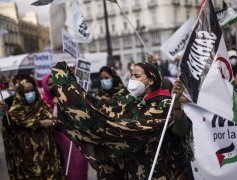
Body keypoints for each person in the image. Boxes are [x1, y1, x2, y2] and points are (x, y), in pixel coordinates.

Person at [51, 61, 193, 179]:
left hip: (158, 170)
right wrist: (72, 91)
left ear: (150, 81)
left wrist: (177, 109)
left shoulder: (165, 103)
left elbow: (180, 131)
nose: (132, 79)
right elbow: (99, 110)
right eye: (131, 75)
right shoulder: (129, 101)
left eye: (137, 76)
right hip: (131, 171)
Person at [8, 76, 62, 179]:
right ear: (20, 93)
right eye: (27, 91)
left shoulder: (41, 104)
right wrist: (45, 122)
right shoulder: (16, 110)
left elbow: (54, 120)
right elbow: (32, 122)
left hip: (49, 154)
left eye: (32, 90)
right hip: (30, 157)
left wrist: (53, 117)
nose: (30, 93)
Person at [41, 74, 88, 180]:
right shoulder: (43, 102)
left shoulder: (65, 96)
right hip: (58, 137)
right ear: (45, 86)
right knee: (69, 165)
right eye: (49, 84)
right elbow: (49, 121)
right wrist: (56, 106)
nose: (53, 86)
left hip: (73, 135)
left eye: (54, 83)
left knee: (80, 161)